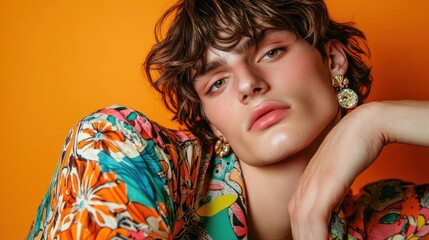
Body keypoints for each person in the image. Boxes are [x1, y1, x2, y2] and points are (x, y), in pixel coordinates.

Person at [27, 0, 429, 239]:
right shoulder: (123, 149)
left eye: (271, 52)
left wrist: (377, 119)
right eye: (218, 82)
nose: (248, 85)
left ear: (333, 60)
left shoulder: (393, 218)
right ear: (211, 120)